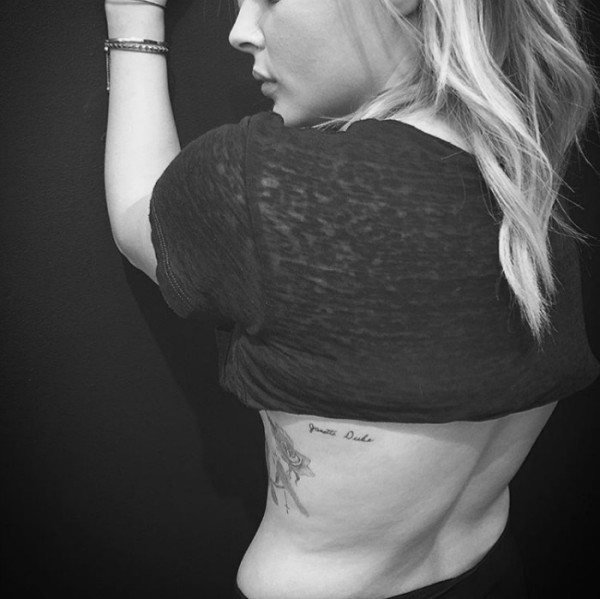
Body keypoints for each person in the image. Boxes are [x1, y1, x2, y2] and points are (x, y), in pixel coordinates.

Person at [103, 0, 599, 597]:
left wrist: (132, 16)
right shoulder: (530, 187)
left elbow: (136, 215)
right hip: (493, 573)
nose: (240, 32)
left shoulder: (265, 184)